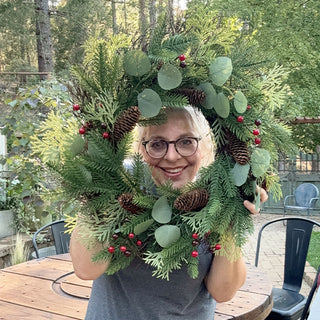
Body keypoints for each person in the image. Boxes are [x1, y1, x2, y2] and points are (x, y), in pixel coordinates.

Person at [70, 106, 268, 319]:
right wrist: (100, 191)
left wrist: (232, 213)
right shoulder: (121, 183)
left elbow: (223, 291)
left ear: (203, 146)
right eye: (157, 144)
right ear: (142, 148)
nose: (172, 156)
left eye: (186, 142)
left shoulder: (218, 192)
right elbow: (86, 269)